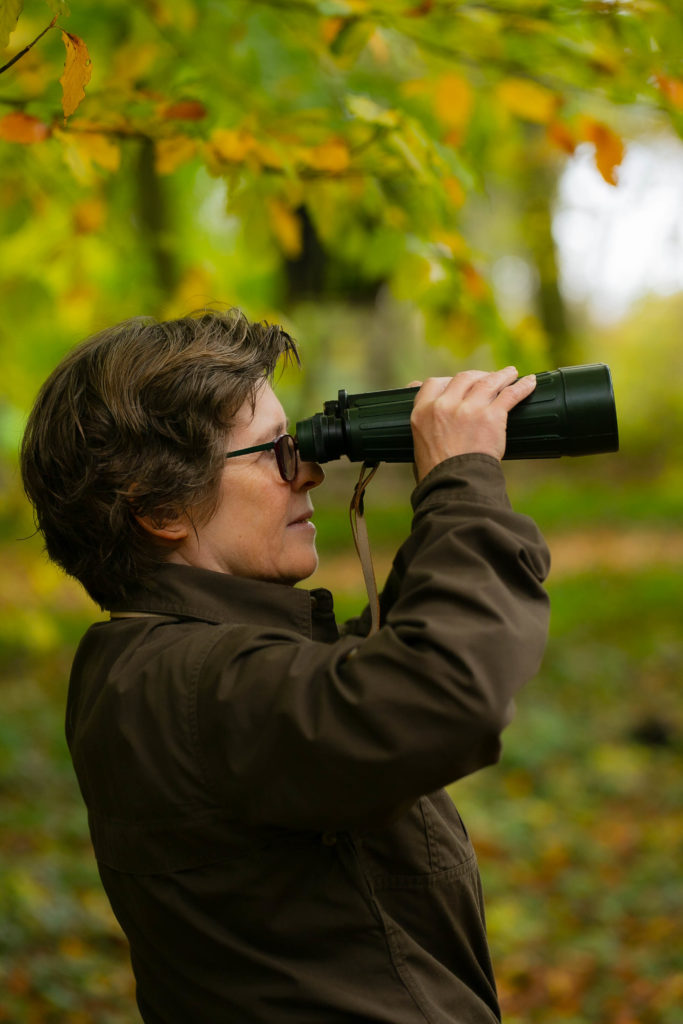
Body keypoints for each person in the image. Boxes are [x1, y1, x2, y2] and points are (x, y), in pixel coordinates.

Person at [20, 308, 550, 1024]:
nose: (308, 473)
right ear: (161, 509)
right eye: (273, 451)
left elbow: (376, 670)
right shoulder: (187, 686)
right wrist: (461, 481)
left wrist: (446, 481)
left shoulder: (151, 666)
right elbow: (440, 693)